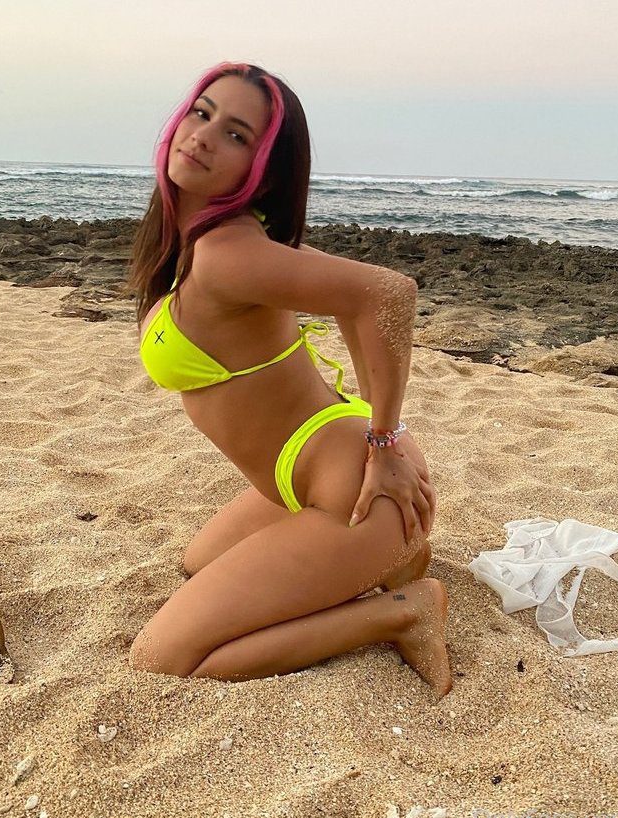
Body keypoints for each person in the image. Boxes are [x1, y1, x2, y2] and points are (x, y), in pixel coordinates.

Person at [126, 61, 451, 698]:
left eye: (237, 134)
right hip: (300, 479)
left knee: (164, 657)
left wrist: (384, 441)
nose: (204, 136)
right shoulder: (209, 241)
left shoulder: (226, 255)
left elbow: (387, 294)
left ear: (262, 170)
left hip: (356, 490)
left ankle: (402, 611)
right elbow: (352, 302)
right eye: (202, 113)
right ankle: (394, 556)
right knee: (197, 563)